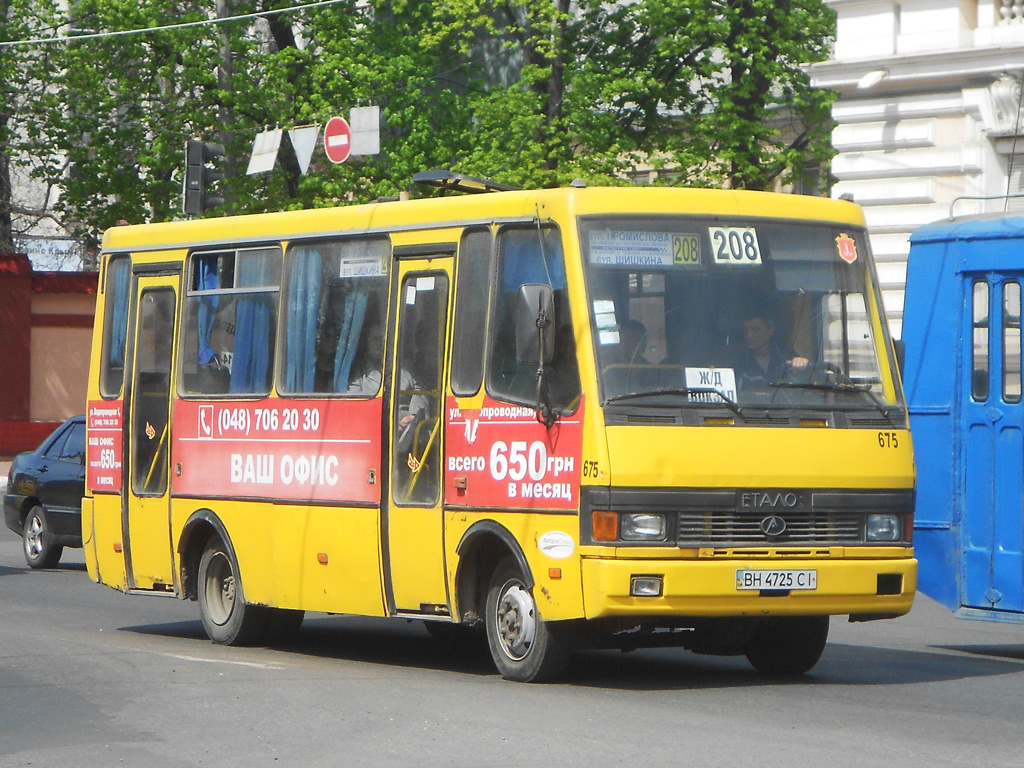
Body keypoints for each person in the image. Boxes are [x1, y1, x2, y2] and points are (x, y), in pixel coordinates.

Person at [734, 312, 807, 388]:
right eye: (746, 330)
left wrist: (801, 365)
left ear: (770, 330)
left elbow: (804, 384)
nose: (749, 335)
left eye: (755, 329)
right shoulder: (739, 360)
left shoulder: (785, 354)